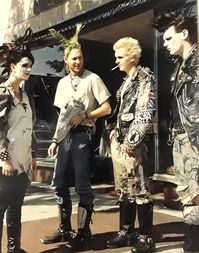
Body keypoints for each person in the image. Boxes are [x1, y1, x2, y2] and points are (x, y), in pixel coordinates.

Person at [40, 24, 111, 251]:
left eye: (80, 58)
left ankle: (83, 232)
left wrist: (85, 115)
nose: (77, 62)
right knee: (58, 183)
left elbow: (107, 108)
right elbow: (62, 118)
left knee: (82, 185)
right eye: (73, 59)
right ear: (66, 60)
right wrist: (54, 140)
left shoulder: (93, 79)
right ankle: (64, 227)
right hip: (65, 138)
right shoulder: (61, 84)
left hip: (83, 136)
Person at [106, 37, 157, 253]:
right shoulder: (126, 81)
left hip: (135, 145)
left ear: (133, 57)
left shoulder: (145, 78)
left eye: (120, 57)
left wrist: (133, 140)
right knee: (125, 189)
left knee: (141, 190)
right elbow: (123, 112)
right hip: (121, 144)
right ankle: (126, 232)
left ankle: (145, 238)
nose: (116, 61)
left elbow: (146, 111)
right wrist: (115, 130)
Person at [154, 14, 199, 253]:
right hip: (181, 139)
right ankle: (191, 245)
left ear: (184, 34)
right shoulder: (179, 67)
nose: (164, 43)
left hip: (193, 139)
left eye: (169, 38)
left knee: (195, 194)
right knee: (187, 194)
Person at [0, 28, 35, 253]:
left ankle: (15, 249)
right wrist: (4, 159)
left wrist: (31, 158)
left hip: (22, 163)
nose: (29, 69)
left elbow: (28, 129)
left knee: (16, 208)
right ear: (13, 67)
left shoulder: (26, 95)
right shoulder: (3, 92)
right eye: (25, 65)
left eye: (31, 65)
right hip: (6, 165)